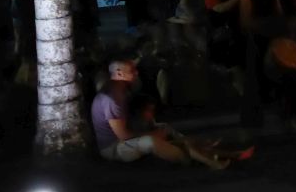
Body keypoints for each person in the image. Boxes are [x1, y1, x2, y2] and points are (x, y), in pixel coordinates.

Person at [90, 60, 229, 169]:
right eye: (132, 71)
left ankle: (198, 147)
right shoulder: (111, 99)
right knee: (151, 141)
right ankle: (187, 156)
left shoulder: (120, 92)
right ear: (119, 73)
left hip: (125, 140)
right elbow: (122, 136)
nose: (136, 73)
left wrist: (152, 129)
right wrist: (152, 134)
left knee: (163, 129)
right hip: (113, 148)